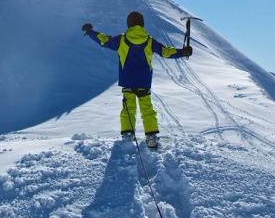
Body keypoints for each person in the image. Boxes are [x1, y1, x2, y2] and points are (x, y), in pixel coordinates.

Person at [82, 11, 193, 149]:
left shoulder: (121, 39)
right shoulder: (149, 41)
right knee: (147, 108)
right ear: (142, 24)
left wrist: (90, 31)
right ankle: (151, 137)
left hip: (128, 81)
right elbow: (165, 52)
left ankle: (128, 136)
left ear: (129, 24)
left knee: (128, 108)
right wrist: (183, 52)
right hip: (143, 82)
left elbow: (104, 40)